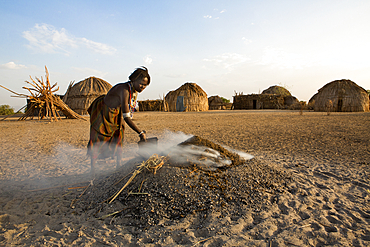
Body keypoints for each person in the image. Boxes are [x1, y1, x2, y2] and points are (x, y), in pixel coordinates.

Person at [87, 67, 150, 177]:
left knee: (119, 134)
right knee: (97, 138)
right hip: (103, 111)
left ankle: (118, 165)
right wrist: (140, 132)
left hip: (116, 112)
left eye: (145, 85)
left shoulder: (133, 91)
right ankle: (92, 169)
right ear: (134, 80)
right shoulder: (124, 90)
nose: (143, 87)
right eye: (141, 84)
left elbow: (127, 112)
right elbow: (127, 117)